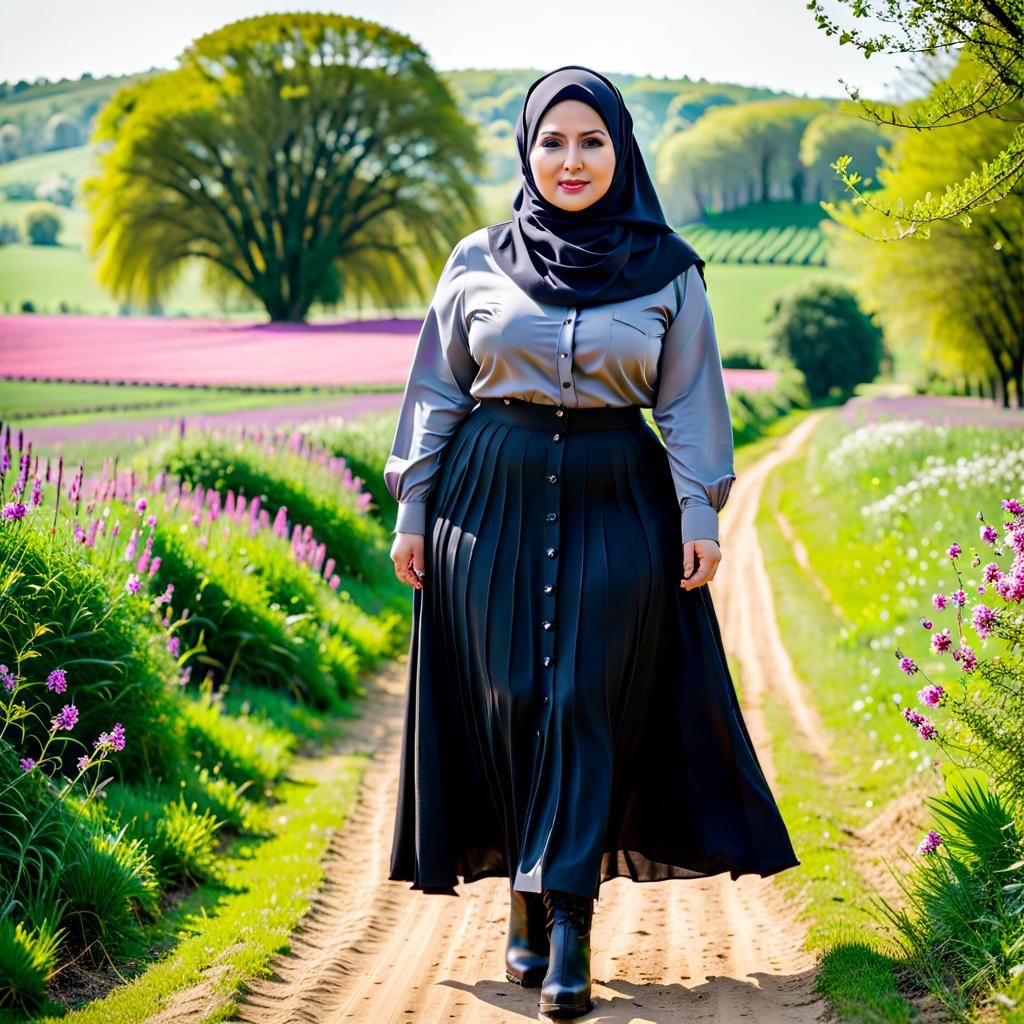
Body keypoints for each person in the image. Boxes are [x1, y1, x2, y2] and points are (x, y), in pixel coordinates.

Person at [383, 64, 800, 1020]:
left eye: (592, 142)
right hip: (486, 496)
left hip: (620, 496)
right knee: (510, 697)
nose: (571, 161)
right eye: (553, 142)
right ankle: (525, 896)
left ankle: (569, 920)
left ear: (623, 151)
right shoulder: (475, 261)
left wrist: (700, 514)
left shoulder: (669, 269)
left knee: (582, 697)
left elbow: (689, 401)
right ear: (527, 151)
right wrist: (412, 509)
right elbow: (438, 391)